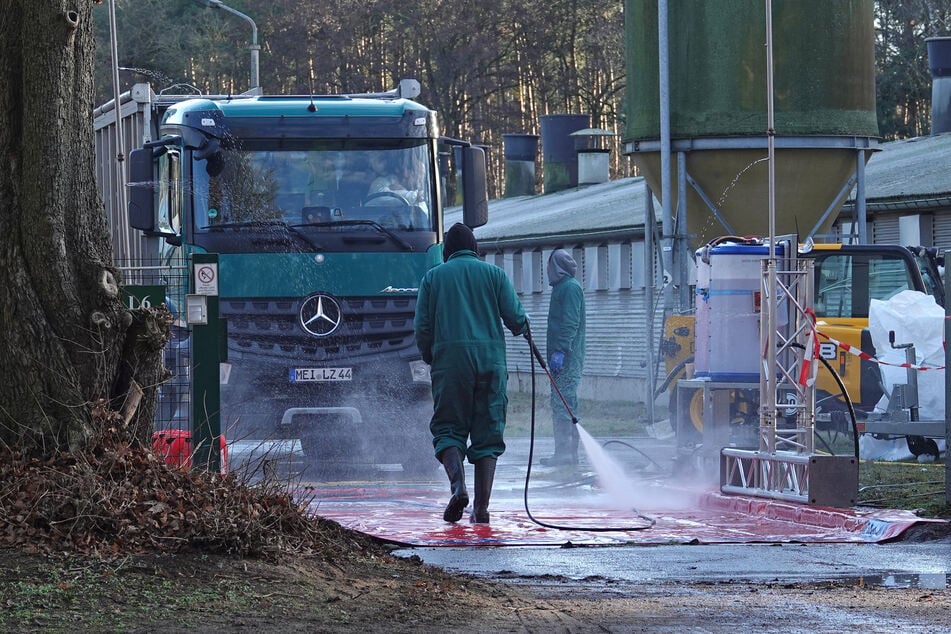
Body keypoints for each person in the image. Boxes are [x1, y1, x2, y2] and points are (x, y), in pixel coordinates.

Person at [414, 223, 529, 524]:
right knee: (488, 432)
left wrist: (432, 356)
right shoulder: (494, 275)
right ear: (475, 249)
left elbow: (422, 328)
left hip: (451, 363)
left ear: (447, 252)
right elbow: (516, 318)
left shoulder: (433, 278)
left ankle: (458, 487)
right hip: (491, 363)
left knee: (449, 427)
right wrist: (522, 327)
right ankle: (481, 509)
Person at [540, 249, 586, 467]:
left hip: (567, 358)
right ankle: (567, 453)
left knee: (562, 403)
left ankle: (565, 454)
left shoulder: (570, 289)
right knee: (565, 402)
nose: (547, 272)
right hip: (563, 356)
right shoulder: (562, 288)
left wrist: (560, 350)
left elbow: (570, 323)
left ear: (557, 267)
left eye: (549, 267)